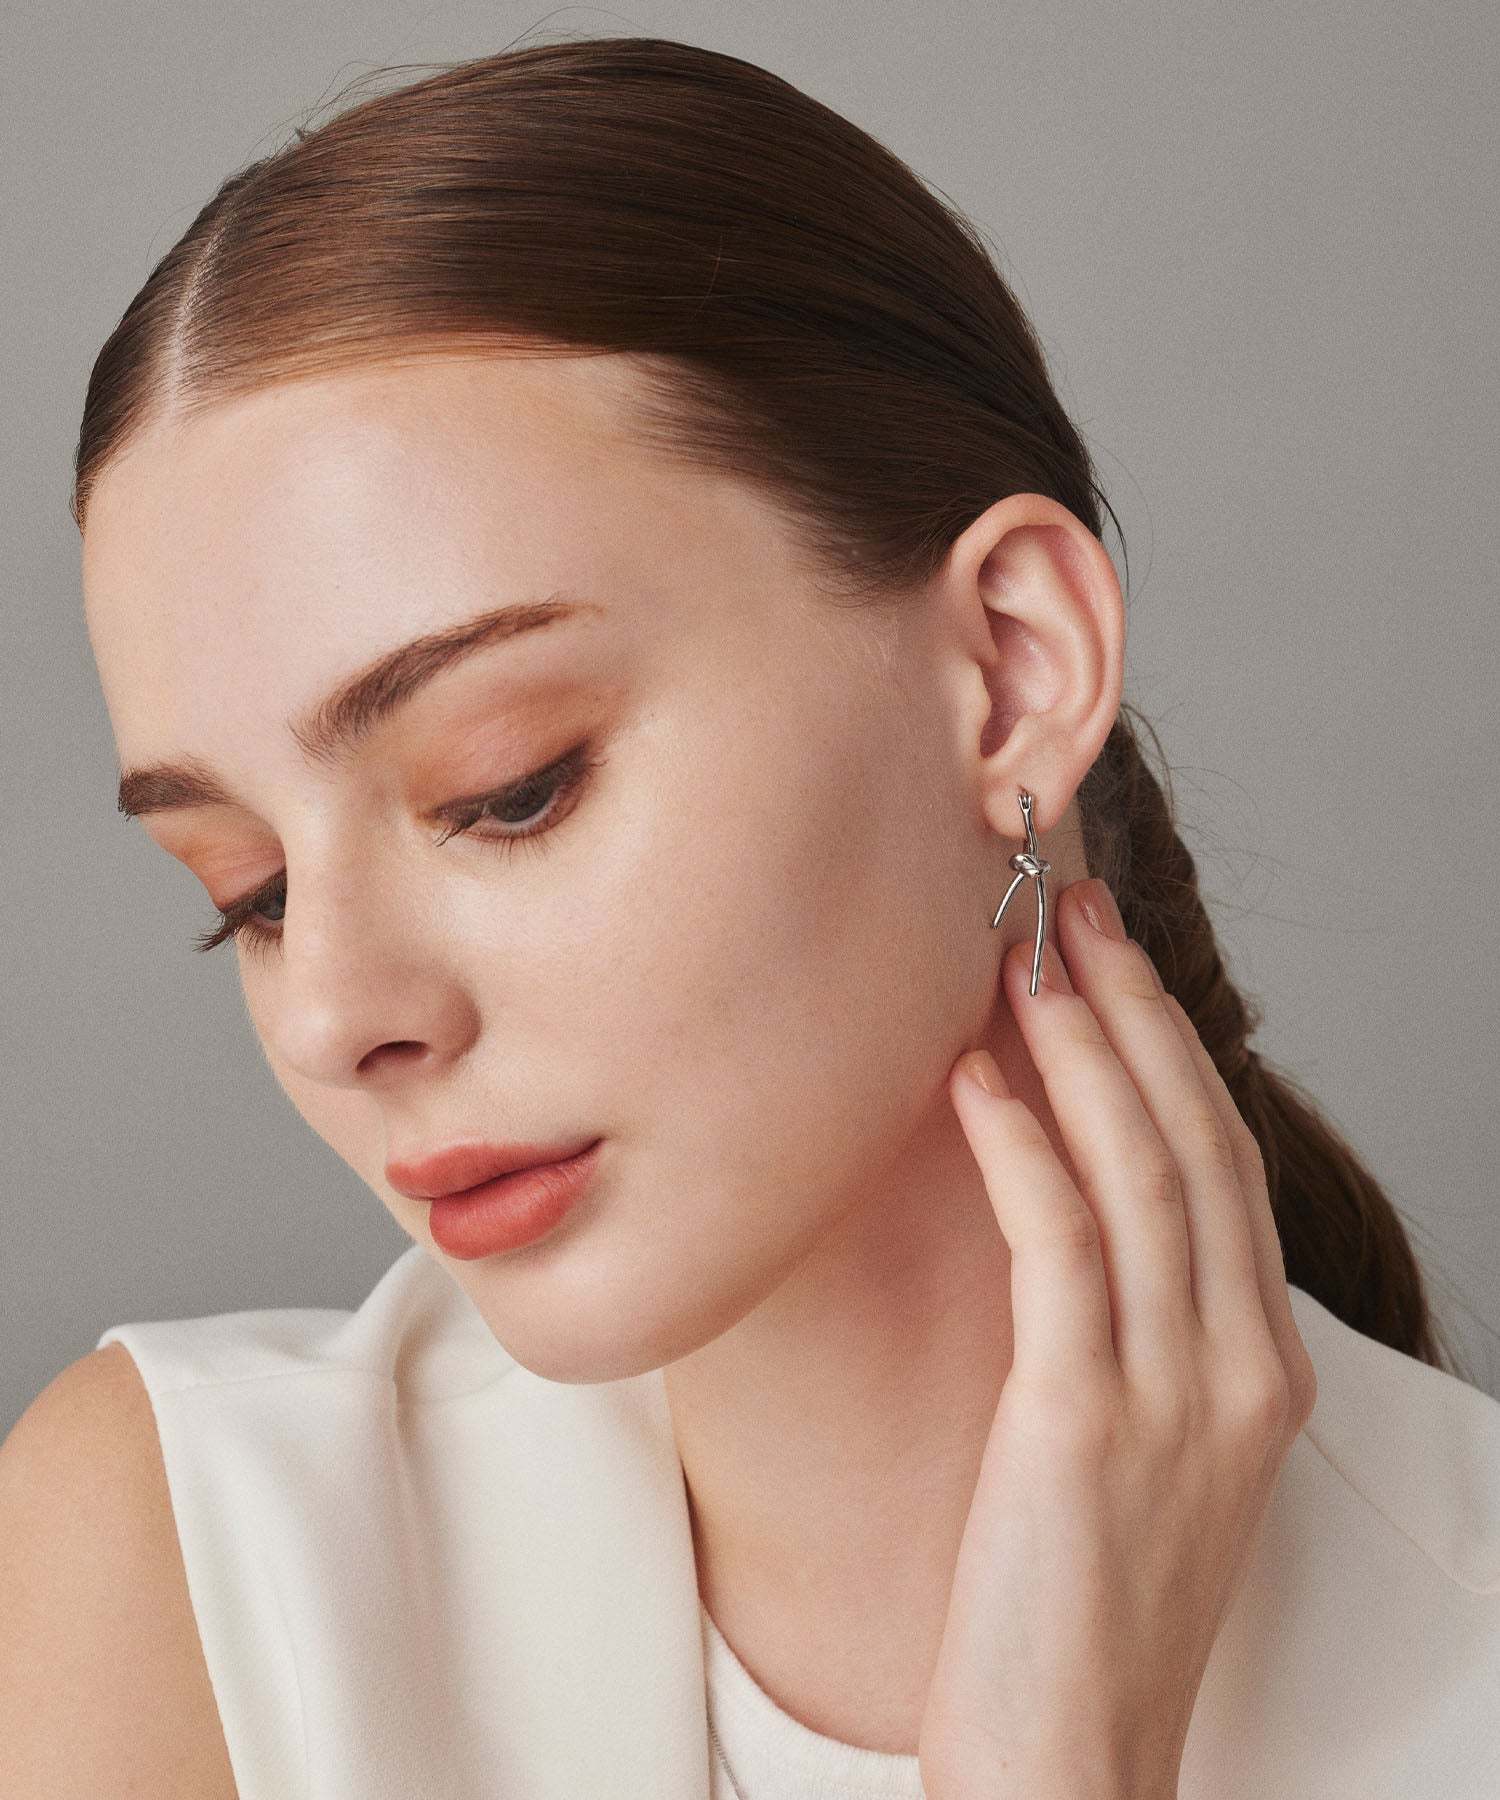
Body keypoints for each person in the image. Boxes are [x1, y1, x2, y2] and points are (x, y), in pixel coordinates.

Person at [3, 34, 1496, 1800]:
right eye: (248, 895)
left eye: (509, 787)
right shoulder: (182, 1563)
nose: (332, 1012)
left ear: (1014, 670)